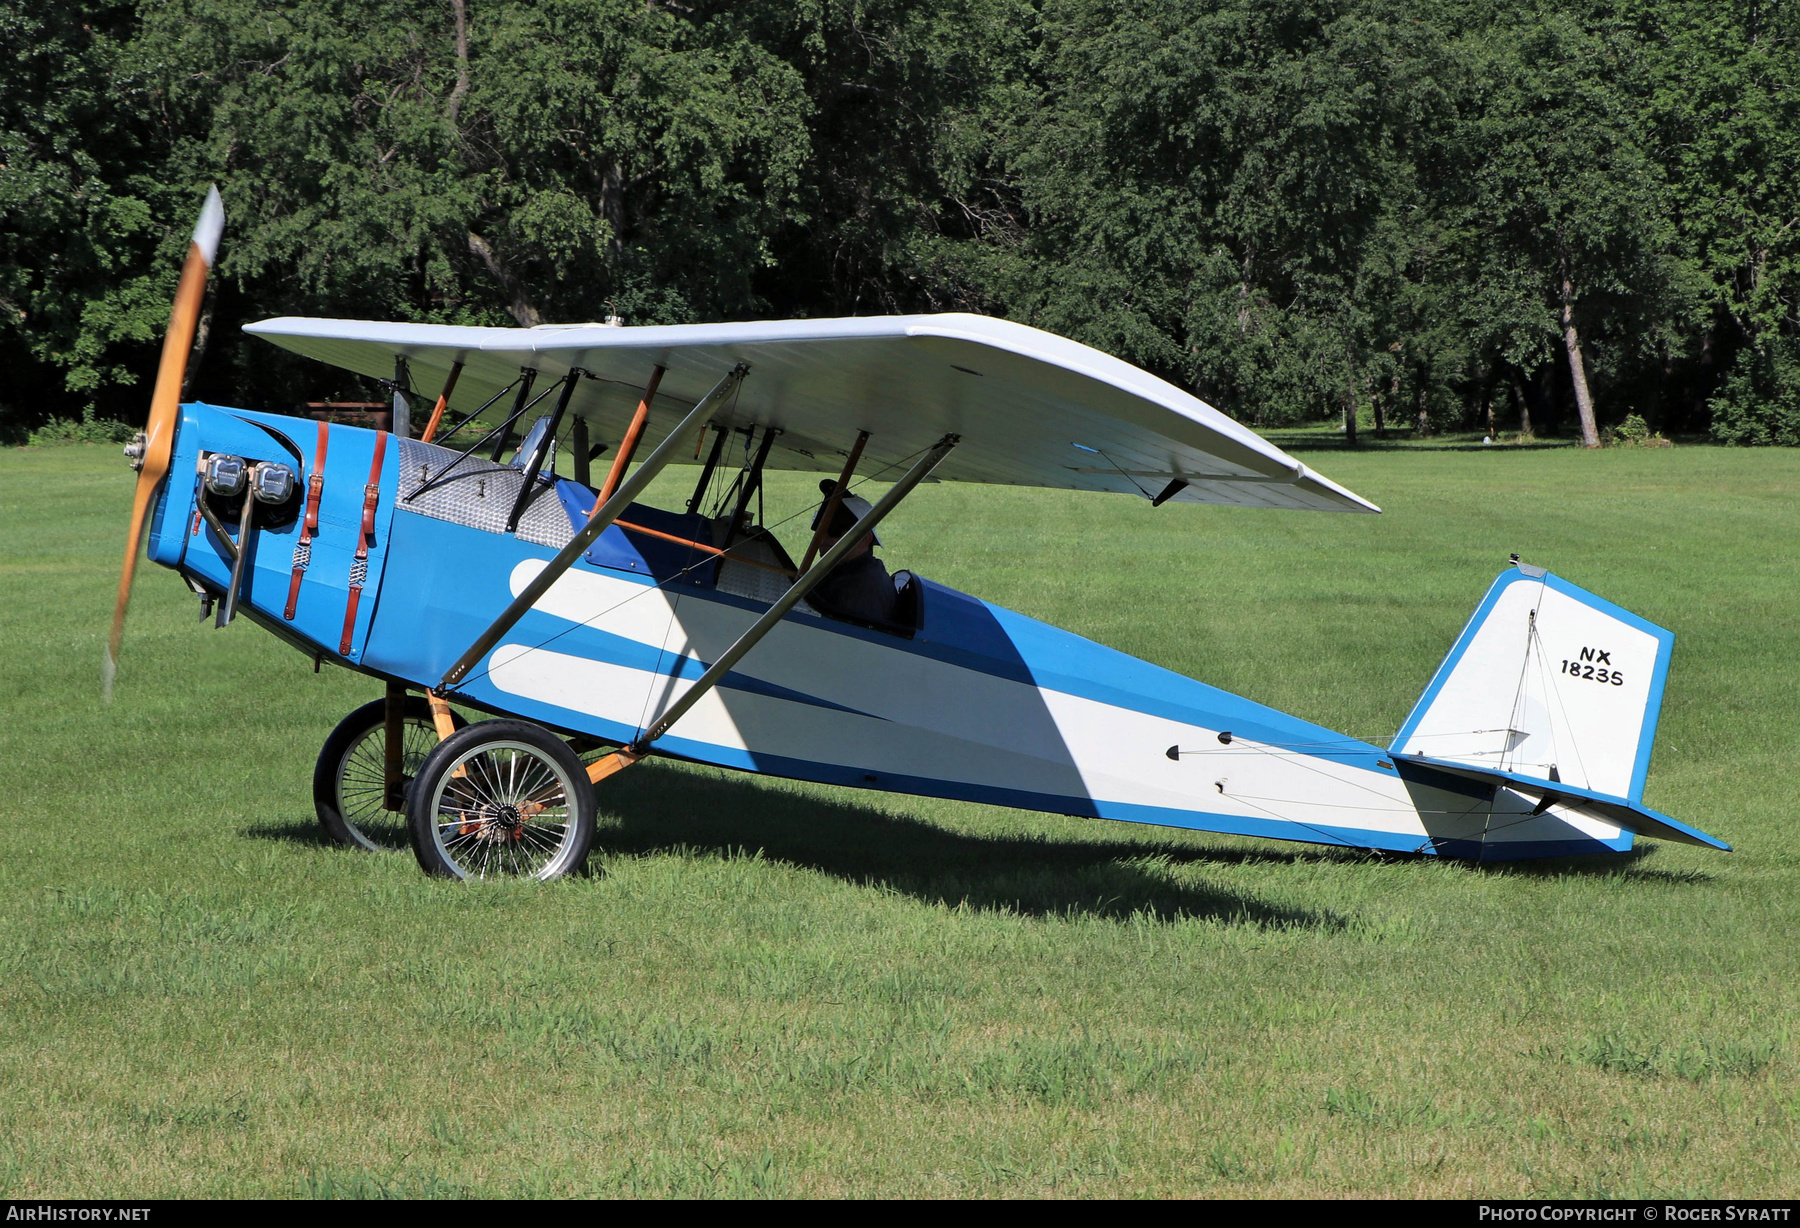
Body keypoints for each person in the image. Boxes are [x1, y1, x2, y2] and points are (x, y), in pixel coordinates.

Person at [806, 480, 898, 626]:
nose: (823, 538)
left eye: (834, 531)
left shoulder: (863, 589)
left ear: (864, 539)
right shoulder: (837, 570)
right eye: (820, 530)